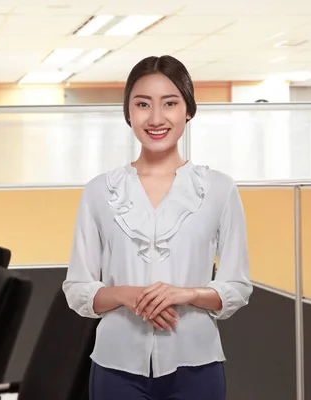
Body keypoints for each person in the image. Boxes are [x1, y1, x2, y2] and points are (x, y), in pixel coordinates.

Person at [62, 55, 252, 400]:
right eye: (142, 104)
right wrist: (127, 295)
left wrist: (186, 294)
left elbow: (237, 286)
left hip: (198, 366)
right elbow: (77, 289)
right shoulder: (99, 191)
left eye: (170, 103)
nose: (155, 118)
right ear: (128, 113)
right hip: (116, 367)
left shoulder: (220, 189)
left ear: (188, 110)